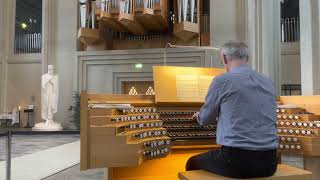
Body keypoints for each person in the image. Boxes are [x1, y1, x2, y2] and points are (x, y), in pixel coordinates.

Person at [186, 41, 278, 178]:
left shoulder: (222, 81)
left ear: (224, 58)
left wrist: (199, 116)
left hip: (237, 162)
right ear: (247, 58)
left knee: (192, 163)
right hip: (270, 162)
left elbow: (205, 120)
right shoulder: (267, 81)